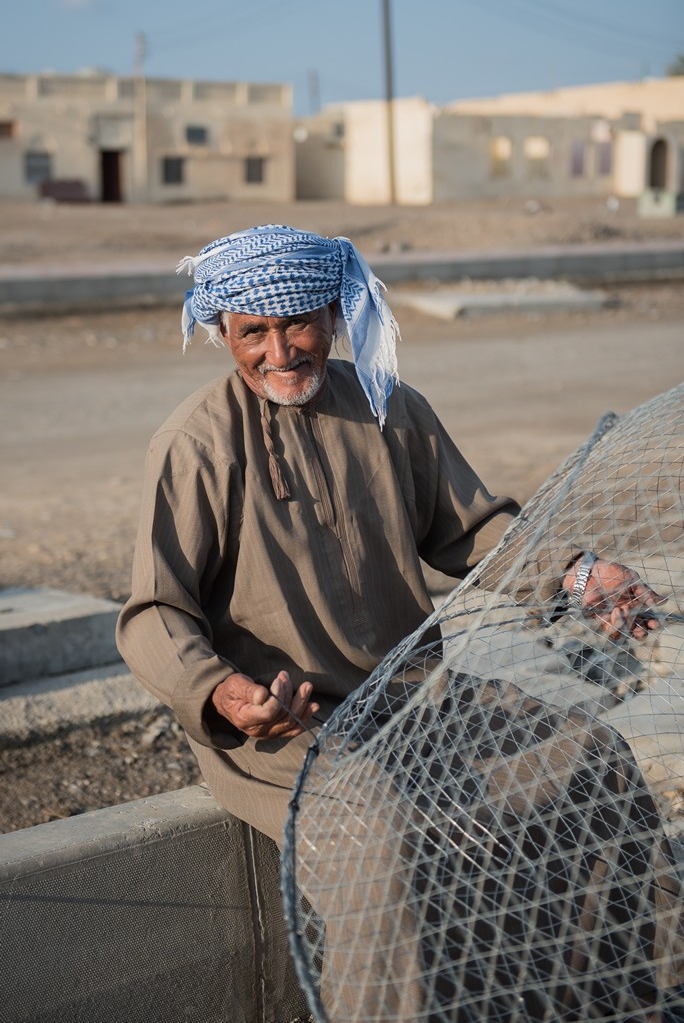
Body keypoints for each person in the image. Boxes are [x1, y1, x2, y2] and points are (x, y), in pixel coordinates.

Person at [115, 224, 668, 1019]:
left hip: (417, 699)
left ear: (336, 316)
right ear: (223, 334)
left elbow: (474, 532)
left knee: (597, 758)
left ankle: (618, 997)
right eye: (253, 333)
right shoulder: (196, 444)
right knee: (375, 844)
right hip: (289, 731)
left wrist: (582, 576)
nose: (281, 352)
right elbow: (155, 613)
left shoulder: (389, 409)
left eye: (298, 322)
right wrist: (225, 693)